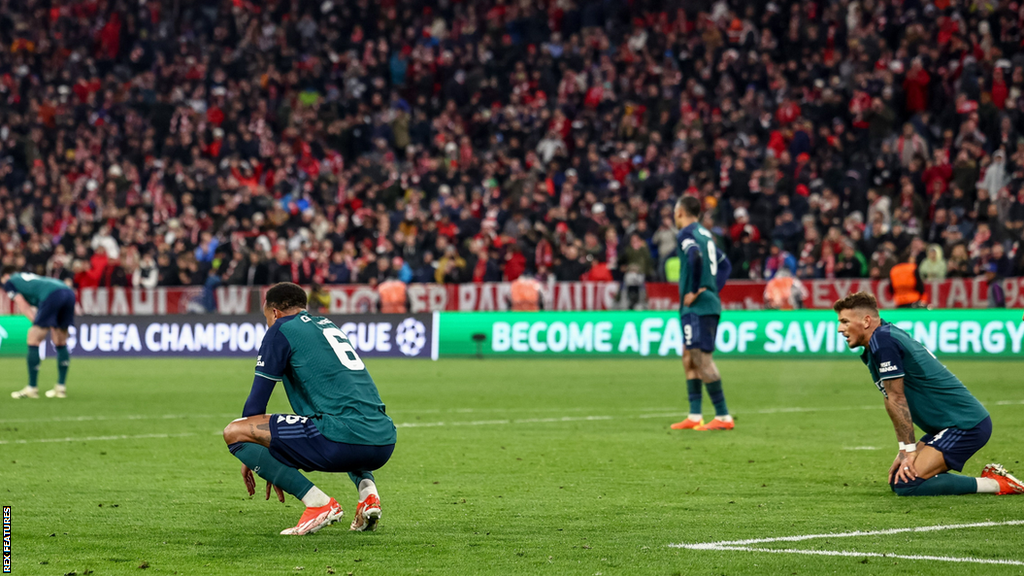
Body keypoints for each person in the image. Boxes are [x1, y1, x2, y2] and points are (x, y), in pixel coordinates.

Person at [222, 283, 397, 535]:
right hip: (383, 441)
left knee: (233, 432)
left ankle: (318, 503)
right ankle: (368, 495)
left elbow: (256, 405)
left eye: (266, 319)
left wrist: (253, 451)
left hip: (339, 439)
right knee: (345, 419)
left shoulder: (280, 330)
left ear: (274, 313)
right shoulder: (326, 325)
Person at [834, 292, 1022, 497]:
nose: (839, 328)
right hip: (944, 426)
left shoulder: (883, 340)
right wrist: (905, 450)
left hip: (965, 425)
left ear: (866, 320)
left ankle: (994, 483)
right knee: (900, 476)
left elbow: (896, 398)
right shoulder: (880, 339)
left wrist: (907, 449)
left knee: (908, 484)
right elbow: (892, 398)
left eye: (844, 321)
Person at [670, 196, 733, 431]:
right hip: (703, 304)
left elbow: (694, 256)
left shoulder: (686, 234)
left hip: (698, 306)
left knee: (701, 359)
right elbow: (725, 265)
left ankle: (723, 417)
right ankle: (695, 415)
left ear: (680, 212)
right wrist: (712, 287)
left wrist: (697, 290)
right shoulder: (705, 234)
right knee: (689, 357)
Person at [2, 266, 76, 399]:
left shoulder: (10, 281)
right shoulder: (28, 277)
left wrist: (36, 322)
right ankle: (60, 388)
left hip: (52, 295)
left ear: (5, 275)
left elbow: (21, 303)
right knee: (60, 340)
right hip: (68, 292)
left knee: (33, 338)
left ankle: (32, 388)